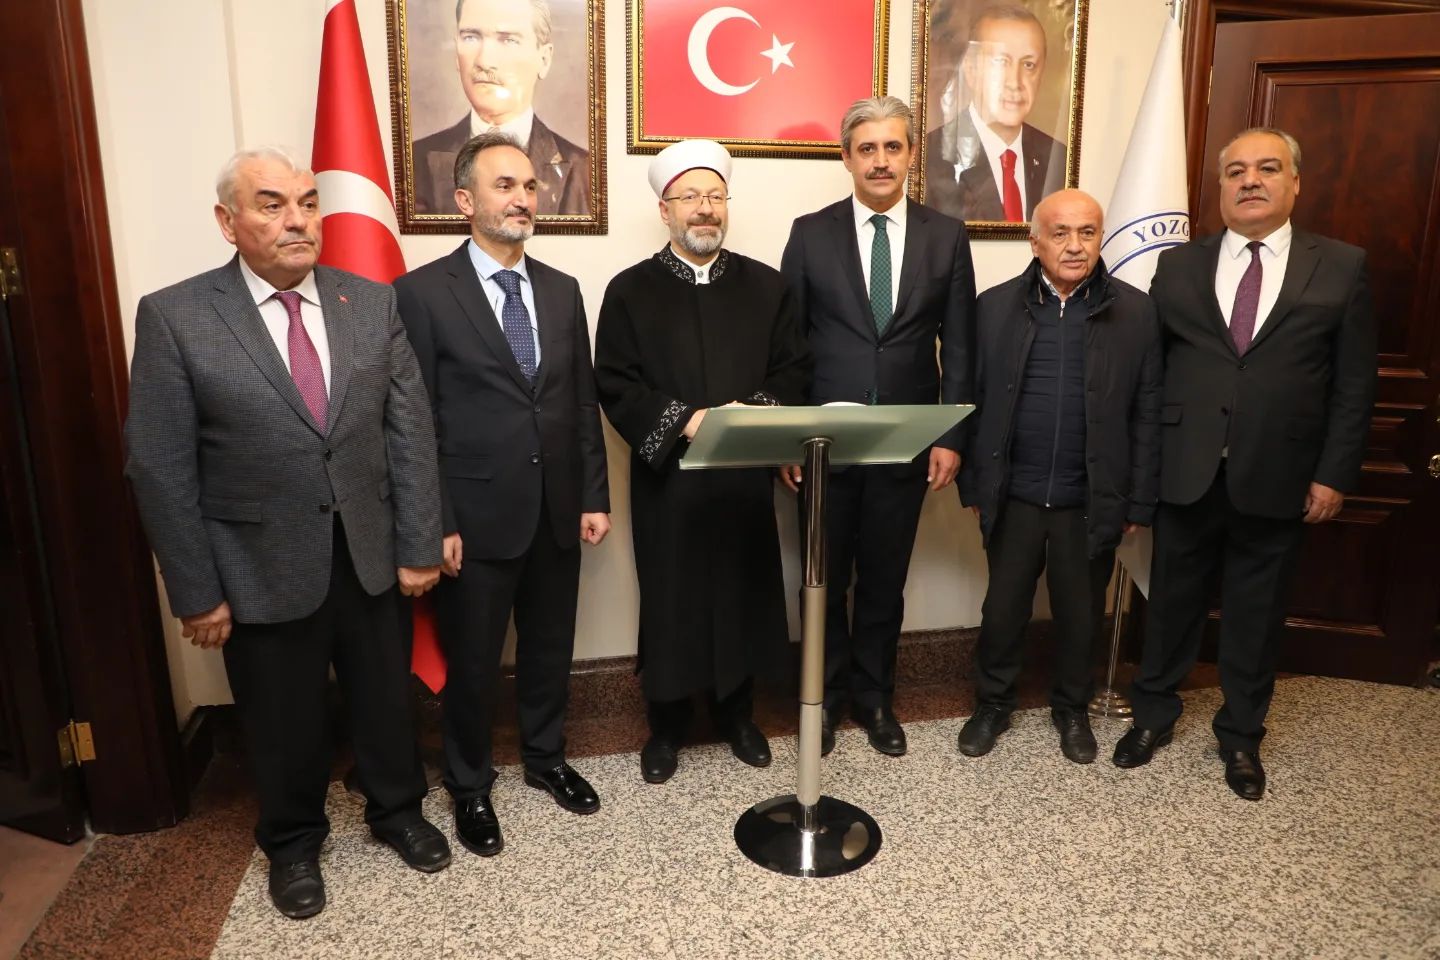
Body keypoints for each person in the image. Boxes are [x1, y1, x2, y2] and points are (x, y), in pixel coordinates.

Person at [125, 147, 449, 920]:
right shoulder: (176, 316)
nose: (297, 220)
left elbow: (409, 433)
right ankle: (294, 843)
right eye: (271, 204)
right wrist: (197, 591)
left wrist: (418, 544)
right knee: (282, 719)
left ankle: (398, 811)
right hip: (256, 564)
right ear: (227, 221)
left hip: (368, 552)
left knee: (384, 701)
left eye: (307, 202)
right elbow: (160, 466)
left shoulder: (370, 303)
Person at [1116, 128, 1377, 800]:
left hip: (1279, 473)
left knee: (1256, 617)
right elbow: (1151, 373)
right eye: (1235, 171)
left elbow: (1354, 385)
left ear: (1295, 182)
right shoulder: (1178, 266)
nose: (1250, 180)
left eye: (1267, 168)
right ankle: (1151, 717)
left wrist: (1333, 474)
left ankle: (1240, 738)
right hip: (1185, 469)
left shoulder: (1341, 266)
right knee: (1169, 606)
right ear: (1220, 187)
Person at [395, 132, 610, 855]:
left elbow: (580, 402)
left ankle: (547, 759)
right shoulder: (422, 293)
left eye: (529, 186)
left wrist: (593, 494)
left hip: (556, 506)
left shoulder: (562, 289)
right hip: (473, 516)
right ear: (464, 200)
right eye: (504, 186)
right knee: (475, 662)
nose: (523, 199)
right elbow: (414, 418)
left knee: (549, 649)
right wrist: (437, 520)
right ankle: (469, 785)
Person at [593, 139, 810, 784]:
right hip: (670, 481)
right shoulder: (629, 290)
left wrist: (748, 416)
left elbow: (794, 370)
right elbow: (616, 382)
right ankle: (666, 726)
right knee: (672, 597)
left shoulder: (767, 286)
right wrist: (687, 420)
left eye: (715, 196)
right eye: (690, 197)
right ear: (665, 210)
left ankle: (737, 716)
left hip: (744, 479)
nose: (705, 208)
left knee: (743, 590)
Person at [781, 96, 976, 758]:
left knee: (885, 580)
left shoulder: (946, 236)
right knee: (824, 578)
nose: (881, 160)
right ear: (847, 158)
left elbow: (962, 346)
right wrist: (786, 437)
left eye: (893, 146)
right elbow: (788, 346)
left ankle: (874, 698)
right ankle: (824, 698)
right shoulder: (810, 234)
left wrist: (949, 435)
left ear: (911, 154)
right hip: (823, 445)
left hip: (906, 441)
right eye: (867, 148)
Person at [956, 189, 1161, 763]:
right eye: (1061, 233)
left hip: (1090, 498)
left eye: (1087, 232)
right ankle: (993, 703)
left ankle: (1071, 708)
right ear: (1035, 241)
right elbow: (970, 399)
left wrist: (1138, 501)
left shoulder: (1137, 312)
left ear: (1100, 239)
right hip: (1013, 495)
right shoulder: (993, 306)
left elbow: (1148, 411)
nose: (1075, 245)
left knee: (1080, 615)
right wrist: (974, 484)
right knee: (1002, 610)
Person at [412, 0, 589, 216]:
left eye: (508, 40)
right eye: (471, 37)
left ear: (544, 59)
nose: (484, 61)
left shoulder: (584, 172)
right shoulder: (416, 163)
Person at [924, 4, 1066, 222]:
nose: (1014, 82)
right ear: (971, 69)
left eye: (1028, 65)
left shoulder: (1058, 158)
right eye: (1001, 62)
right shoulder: (931, 157)